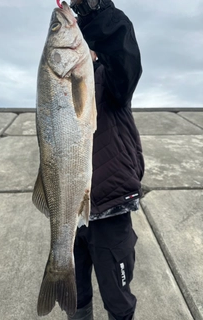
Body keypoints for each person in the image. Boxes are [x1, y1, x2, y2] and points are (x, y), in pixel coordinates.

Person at [69, 0, 144, 319]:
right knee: (75, 294)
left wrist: (94, 9)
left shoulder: (114, 78)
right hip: (71, 209)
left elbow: (122, 52)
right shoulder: (60, 84)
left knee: (117, 299)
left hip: (110, 205)